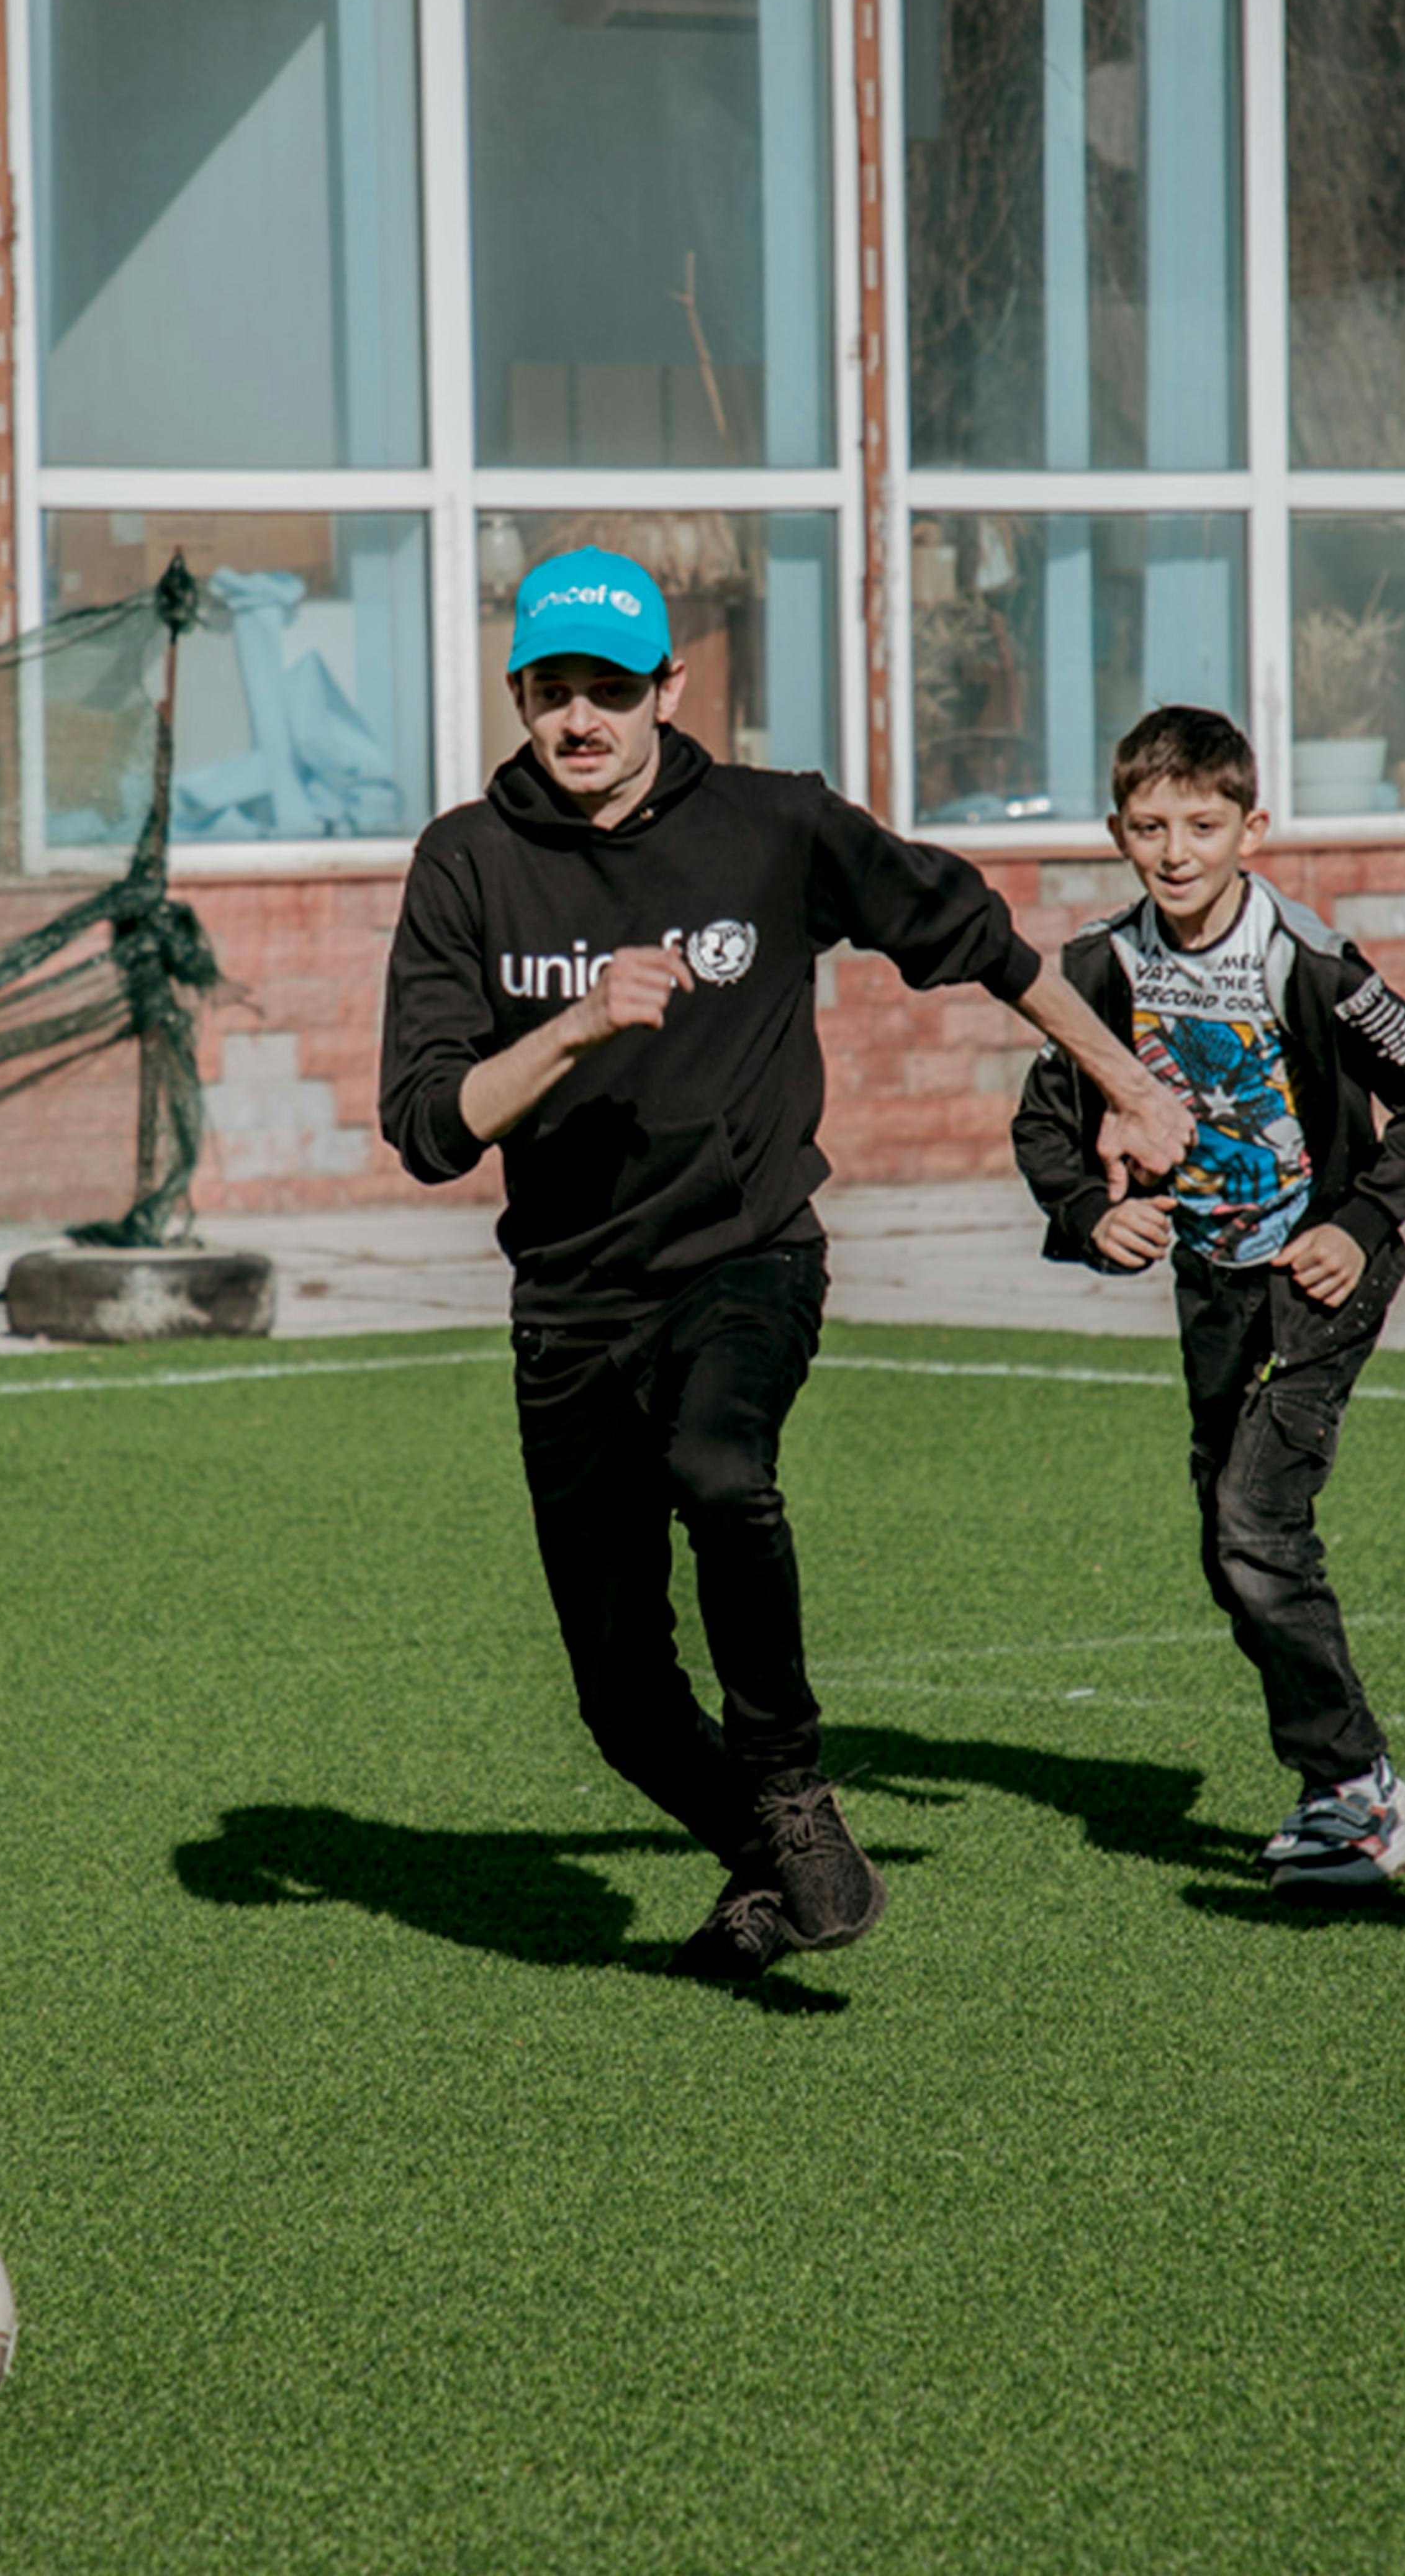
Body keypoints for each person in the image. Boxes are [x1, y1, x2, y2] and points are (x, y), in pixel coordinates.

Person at [380, 548, 1185, 1985]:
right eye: (554, 691)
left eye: (611, 692)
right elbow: (428, 1129)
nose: (582, 720)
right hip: (567, 1303)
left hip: (744, 1258)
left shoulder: (770, 825)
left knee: (717, 1466)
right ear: (515, 695)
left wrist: (1126, 1087)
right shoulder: (467, 862)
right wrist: (573, 1029)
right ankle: (774, 1856)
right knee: (620, 1702)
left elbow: (979, 940)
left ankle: (791, 1783)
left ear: (667, 691)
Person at [1010, 707, 1405, 1895]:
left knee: (1255, 1527)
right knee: (1232, 1547)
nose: (1176, 852)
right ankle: (1341, 1783)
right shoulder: (1098, 966)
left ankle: (1353, 1795)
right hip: (1210, 1286)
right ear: (1116, 832)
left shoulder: (1308, 958)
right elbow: (1043, 1123)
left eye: (1203, 826)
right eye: (1150, 828)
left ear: (1250, 827)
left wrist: (1358, 1227)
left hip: (1320, 1281)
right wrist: (1087, 1214)